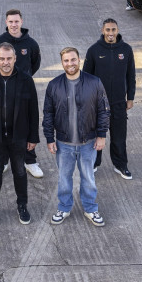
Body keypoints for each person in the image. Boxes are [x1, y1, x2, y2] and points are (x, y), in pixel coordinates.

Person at [0, 43, 40, 226]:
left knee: (19, 171)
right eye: (2, 58)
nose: (5, 62)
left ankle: (22, 205)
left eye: (9, 58)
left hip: (18, 137)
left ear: (15, 59)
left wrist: (33, 137)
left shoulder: (26, 80)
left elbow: (34, 111)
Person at [44, 47, 110, 227]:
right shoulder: (54, 85)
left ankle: (90, 209)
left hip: (88, 142)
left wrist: (101, 135)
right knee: (64, 178)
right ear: (62, 63)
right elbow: (48, 114)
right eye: (66, 61)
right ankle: (64, 208)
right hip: (63, 143)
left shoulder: (94, 82)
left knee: (88, 178)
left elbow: (103, 111)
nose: (70, 64)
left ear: (79, 60)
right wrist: (49, 138)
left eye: (73, 60)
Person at [0, 9, 44, 178]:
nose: (13, 24)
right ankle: (3, 160)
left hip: (24, 91)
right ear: (6, 23)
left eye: (16, 21)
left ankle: (30, 160)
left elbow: (35, 64)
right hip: (2, 90)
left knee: (25, 124)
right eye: (10, 21)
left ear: (22, 21)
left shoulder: (31, 44)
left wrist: (23, 79)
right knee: (3, 125)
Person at [82, 19, 135, 179]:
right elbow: (86, 77)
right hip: (98, 103)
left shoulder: (126, 50)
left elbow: (131, 75)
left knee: (119, 136)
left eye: (113, 30)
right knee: (97, 136)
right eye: (108, 30)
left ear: (117, 30)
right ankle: (94, 163)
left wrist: (130, 97)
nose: (111, 33)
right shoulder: (94, 50)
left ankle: (120, 165)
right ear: (102, 30)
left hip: (119, 102)